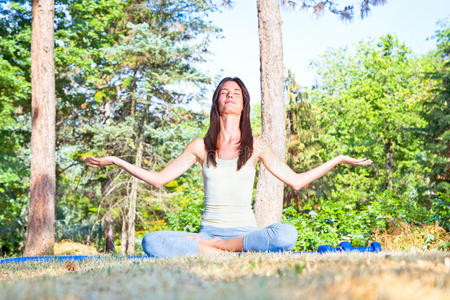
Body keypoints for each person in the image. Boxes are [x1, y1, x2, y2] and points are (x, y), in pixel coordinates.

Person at [85, 77, 372, 257]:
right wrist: (117, 161)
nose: (230, 95)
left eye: (236, 92)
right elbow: (159, 179)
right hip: (208, 233)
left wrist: (338, 160)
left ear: (244, 104)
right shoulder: (200, 145)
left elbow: (295, 181)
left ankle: (215, 252)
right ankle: (226, 250)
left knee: (287, 235)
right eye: (224, 92)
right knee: (151, 242)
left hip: (245, 232)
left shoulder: (257, 146)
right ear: (217, 102)